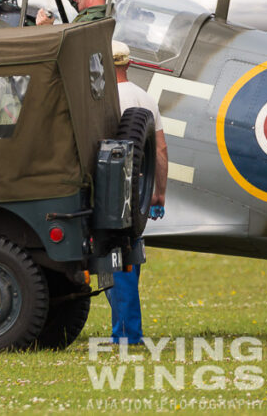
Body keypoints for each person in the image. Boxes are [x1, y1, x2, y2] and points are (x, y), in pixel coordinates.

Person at [107, 40, 168, 345]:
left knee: (114, 262)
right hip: (140, 189)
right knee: (130, 256)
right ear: (129, 64)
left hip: (110, 190)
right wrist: (158, 194)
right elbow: (160, 149)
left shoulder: (101, 99)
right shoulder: (146, 98)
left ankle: (128, 334)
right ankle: (127, 329)